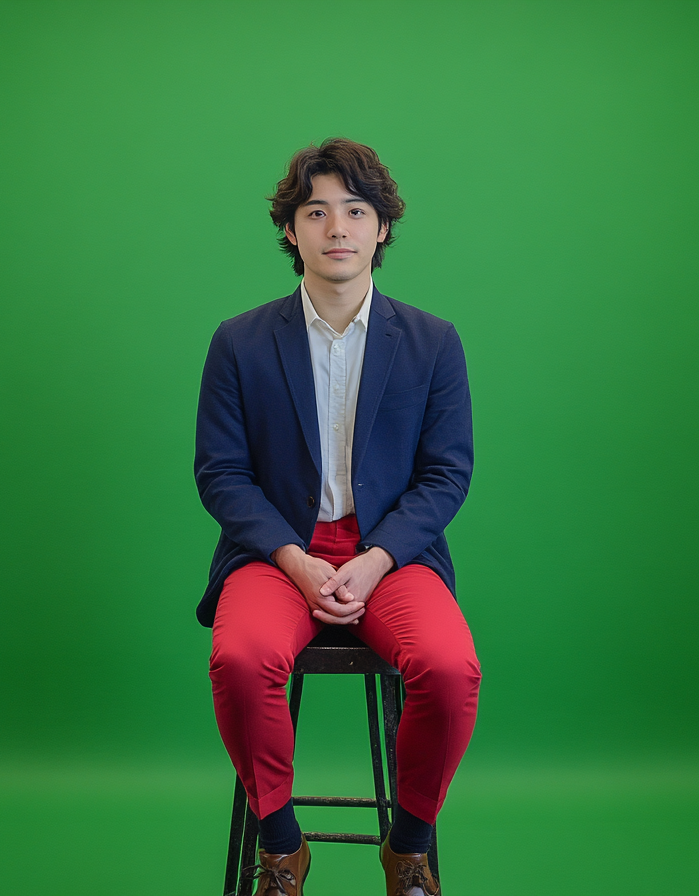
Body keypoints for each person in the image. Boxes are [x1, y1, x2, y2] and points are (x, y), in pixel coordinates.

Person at [195, 137, 480, 896]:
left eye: (356, 211)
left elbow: (447, 474)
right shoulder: (239, 342)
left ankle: (409, 847)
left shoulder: (431, 342)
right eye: (315, 212)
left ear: (382, 227)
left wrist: (377, 557)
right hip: (274, 555)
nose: (338, 228)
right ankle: (283, 848)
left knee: (450, 670)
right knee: (241, 659)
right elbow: (221, 476)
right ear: (291, 230)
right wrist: (294, 557)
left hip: (392, 556)